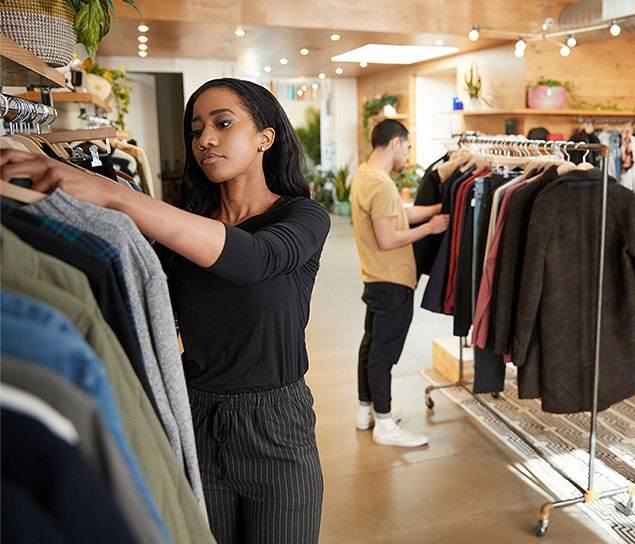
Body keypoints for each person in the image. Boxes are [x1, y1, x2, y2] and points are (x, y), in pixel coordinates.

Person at [0, 78, 331, 543]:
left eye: (223, 123)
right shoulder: (179, 227)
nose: (205, 140)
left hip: (276, 424)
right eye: (196, 130)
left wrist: (114, 195)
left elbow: (253, 259)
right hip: (191, 413)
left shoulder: (301, 216)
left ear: (265, 137)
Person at [350, 119, 448, 447]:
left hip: (376, 279)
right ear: (395, 142)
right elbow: (389, 237)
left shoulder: (366, 176)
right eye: (407, 146)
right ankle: (385, 423)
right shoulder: (381, 185)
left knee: (370, 348)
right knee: (383, 355)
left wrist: (435, 209)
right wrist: (431, 228)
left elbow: (396, 214)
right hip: (392, 282)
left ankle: (367, 412)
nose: (408, 152)